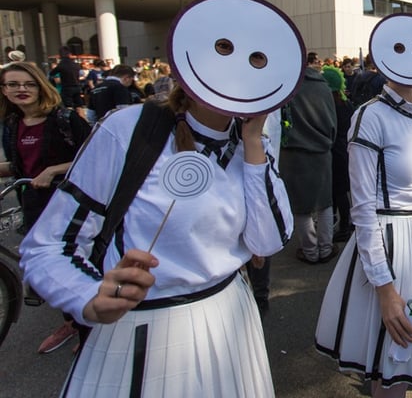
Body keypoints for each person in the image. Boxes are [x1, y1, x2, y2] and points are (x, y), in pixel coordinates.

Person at [19, 84, 295, 396]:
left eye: (259, 56)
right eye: (223, 45)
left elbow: (267, 242)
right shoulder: (129, 128)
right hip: (141, 331)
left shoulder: (252, 139)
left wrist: (254, 141)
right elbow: (47, 245)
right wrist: (90, 297)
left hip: (231, 320)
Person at [315, 14, 412, 398]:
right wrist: (383, 286)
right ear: (382, 56)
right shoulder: (370, 116)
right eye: (400, 48)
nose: (411, 58)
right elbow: (361, 207)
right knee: (388, 359)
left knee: (404, 359)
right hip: (386, 247)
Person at [0, 61, 91, 353]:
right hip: (35, 205)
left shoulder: (64, 118)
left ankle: (89, 327)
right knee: (49, 267)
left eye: (28, 84)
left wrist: (53, 170)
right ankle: (73, 321)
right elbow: (18, 166)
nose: (21, 90)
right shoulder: (13, 124)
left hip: (71, 204)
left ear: (41, 85)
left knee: (77, 266)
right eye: (13, 85)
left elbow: (95, 156)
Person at [279, 54, 338, 264]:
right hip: (321, 150)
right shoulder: (323, 86)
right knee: (325, 202)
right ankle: (326, 247)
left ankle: (310, 251)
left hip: (293, 152)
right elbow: (333, 121)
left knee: (301, 205)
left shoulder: (285, 86)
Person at [322, 64, 354, 243]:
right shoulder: (345, 102)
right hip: (346, 148)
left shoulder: (331, 105)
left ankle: (343, 226)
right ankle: (344, 223)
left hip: (335, 150)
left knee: (339, 190)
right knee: (342, 190)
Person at [49, 46, 85, 118]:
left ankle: (71, 121)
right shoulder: (76, 65)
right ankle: (83, 121)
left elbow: (52, 73)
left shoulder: (61, 65)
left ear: (60, 55)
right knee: (79, 106)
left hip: (67, 87)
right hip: (77, 87)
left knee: (68, 106)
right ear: (70, 54)